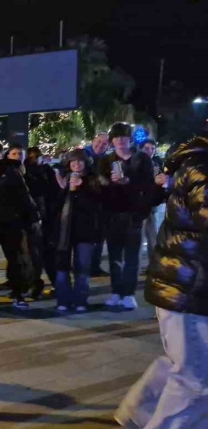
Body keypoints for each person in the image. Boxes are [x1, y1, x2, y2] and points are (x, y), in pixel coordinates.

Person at [114, 136, 207, 429]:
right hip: (190, 287)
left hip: (186, 286)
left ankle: (142, 412)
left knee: (184, 363)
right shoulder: (202, 169)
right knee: (198, 379)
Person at [97, 123, 162, 310]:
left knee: (132, 256)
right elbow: (99, 186)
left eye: (123, 137)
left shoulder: (141, 159)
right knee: (114, 255)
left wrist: (128, 182)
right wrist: (108, 183)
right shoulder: (106, 160)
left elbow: (149, 187)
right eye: (116, 137)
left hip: (134, 214)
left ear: (129, 139)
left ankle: (129, 294)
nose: (119, 141)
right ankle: (117, 291)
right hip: (112, 214)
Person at [0, 141, 39, 309]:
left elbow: (24, 197)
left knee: (15, 260)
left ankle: (18, 295)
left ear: (0, 155)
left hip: (11, 224)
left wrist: (33, 217)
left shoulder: (11, 173)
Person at [52, 150, 104, 312]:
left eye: (80, 161)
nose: (76, 164)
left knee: (82, 267)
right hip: (65, 230)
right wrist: (64, 188)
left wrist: (82, 188)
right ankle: (63, 300)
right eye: (73, 161)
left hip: (85, 230)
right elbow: (57, 204)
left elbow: (97, 204)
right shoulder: (66, 178)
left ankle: (80, 301)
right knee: (62, 267)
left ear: (86, 162)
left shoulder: (92, 180)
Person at [22, 145, 60, 299]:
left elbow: (55, 193)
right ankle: (35, 284)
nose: (34, 160)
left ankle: (56, 284)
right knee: (33, 255)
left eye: (36, 157)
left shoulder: (47, 172)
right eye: (31, 157)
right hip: (31, 219)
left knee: (45, 254)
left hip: (46, 218)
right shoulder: (24, 173)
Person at [85, 132, 112, 277]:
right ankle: (84, 266)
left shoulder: (107, 160)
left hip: (102, 205)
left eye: (104, 144)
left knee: (100, 238)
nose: (100, 145)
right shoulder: (82, 155)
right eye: (99, 141)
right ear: (93, 140)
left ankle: (94, 266)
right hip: (84, 205)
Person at [141, 139, 166, 258]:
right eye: (146, 148)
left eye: (152, 148)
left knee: (153, 234)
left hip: (153, 203)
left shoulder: (157, 162)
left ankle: (153, 262)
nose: (150, 151)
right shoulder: (137, 162)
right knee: (140, 236)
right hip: (140, 204)